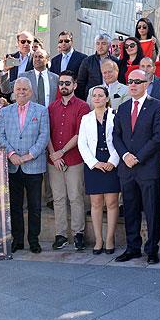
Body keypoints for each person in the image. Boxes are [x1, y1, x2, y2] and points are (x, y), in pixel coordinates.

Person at [112, 69, 160, 264]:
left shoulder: (158, 107)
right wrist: (126, 155)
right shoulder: (123, 107)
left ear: (146, 84)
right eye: (130, 81)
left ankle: (152, 249)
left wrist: (138, 157)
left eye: (138, 81)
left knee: (152, 211)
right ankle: (132, 248)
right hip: (126, 169)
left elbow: (159, 136)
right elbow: (116, 136)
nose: (133, 84)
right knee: (130, 210)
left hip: (147, 169)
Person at [0, 77, 50, 254]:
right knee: (15, 206)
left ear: (31, 92)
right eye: (18, 89)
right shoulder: (5, 112)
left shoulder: (41, 111)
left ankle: (34, 240)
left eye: (25, 89)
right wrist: (11, 154)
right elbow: (1, 136)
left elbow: (44, 136)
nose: (21, 92)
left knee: (35, 207)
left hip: (34, 166)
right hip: (12, 166)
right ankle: (17, 240)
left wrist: (29, 156)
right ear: (13, 92)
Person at [46, 71, 91, 251]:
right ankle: (61, 234)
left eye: (67, 83)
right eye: (61, 83)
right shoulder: (51, 107)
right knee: (58, 198)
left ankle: (78, 233)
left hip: (74, 159)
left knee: (75, 197)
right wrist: (53, 155)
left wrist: (61, 152)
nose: (64, 86)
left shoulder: (83, 107)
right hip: (54, 161)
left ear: (74, 85)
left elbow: (80, 134)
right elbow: (46, 133)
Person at [78, 86, 121, 254]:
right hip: (93, 164)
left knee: (111, 203)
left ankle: (109, 239)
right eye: (94, 95)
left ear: (106, 98)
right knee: (96, 204)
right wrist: (94, 163)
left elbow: (120, 139)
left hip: (111, 162)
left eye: (100, 95)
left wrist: (113, 161)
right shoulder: (85, 119)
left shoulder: (115, 116)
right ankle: (98, 240)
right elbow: (82, 143)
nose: (97, 98)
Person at [77, 33, 119, 100]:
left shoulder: (116, 61)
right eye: (98, 43)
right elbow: (81, 83)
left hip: (111, 97)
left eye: (103, 43)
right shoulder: (87, 61)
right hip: (93, 98)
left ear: (109, 45)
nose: (100, 46)